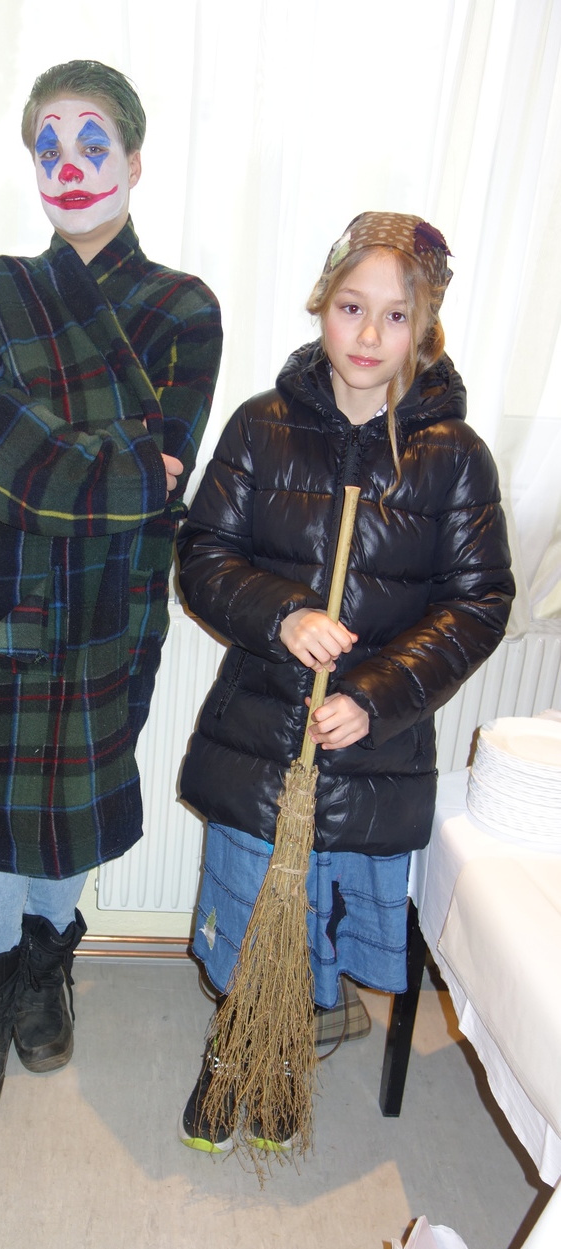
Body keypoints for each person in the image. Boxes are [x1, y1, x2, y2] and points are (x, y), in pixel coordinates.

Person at [175, 211, 515, 1154]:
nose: (368, 335)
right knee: (250, 899)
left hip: (372, 747)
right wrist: (283, 614)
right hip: (261, 732)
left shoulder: (453, 456)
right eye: (351, 307)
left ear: (425, 326)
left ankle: (289, 1049)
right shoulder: (262, 428)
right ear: (322, 305)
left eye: (395, 316)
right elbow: (203, 556)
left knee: (319, 912)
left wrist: (377, 694)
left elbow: (479, 603)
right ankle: (234, 1045)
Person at [0, 60, 222, 1118]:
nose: (68, 165)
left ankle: (45, 967)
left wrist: (52, 463)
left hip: (115, 601)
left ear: (134, 161)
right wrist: (118, 467)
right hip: (7, 593)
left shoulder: (184, 306)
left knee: (75, 796)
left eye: (92, 143)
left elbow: (167, 464)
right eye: (47, 146)